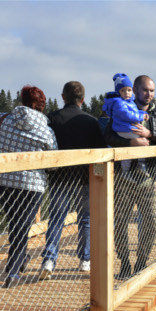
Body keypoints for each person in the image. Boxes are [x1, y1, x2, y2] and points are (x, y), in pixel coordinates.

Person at [0, 86, 57, 288]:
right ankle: (13, 271)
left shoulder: (4, 119)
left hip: (3, 183)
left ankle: (19, 261)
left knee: (16, 222)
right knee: (21, 226)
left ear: (22, 100)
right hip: (32, 186)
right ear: (42, 105)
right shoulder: (46, 131)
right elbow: (54, 160)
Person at [103, 75, 156, 279]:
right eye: (145, 90)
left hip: (150, 177)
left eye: (152, 91)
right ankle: (125, 263)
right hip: (124, 177)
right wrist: (130, 144)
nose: (149, 94)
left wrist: (150, 134)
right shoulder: (122, 109)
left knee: (151, 222)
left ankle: (141, 262)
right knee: (120, 222)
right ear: (135, 89)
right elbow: (108, 136)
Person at [39, 81, 106, 280]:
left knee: (57, 219)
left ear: (63, 97)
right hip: (85, 178)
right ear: (82, 99)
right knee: (85, 219)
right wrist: (99, 177)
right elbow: (100, 152)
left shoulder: (51, 119)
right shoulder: (91, 121)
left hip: (59, 177)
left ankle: (49, 260)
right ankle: (85, 260)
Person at [102, 73, 150, 173]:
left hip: (126, 128)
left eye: (129, 90)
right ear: (118, 92)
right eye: (123, 90)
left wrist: (143, 113)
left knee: (137, 145)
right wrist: (141, 116)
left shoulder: (129, 102)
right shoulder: (119, 103)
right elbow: (127, 115)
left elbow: (134, 112)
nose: (127, 93)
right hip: (123, 129)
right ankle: (134, 168)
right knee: (142, 142)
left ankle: (133, 167)